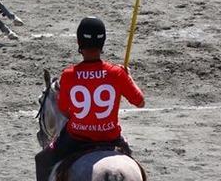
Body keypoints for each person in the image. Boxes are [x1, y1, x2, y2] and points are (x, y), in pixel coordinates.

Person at [34, 17, 145, 181]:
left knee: (42, 160)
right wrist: (129, 76)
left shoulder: (68, 75)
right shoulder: (117, 73)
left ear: (79, 42)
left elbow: (64, 109)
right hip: (111, 137)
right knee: (135, 166)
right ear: (103, 42)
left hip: (76, 138)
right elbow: (140, 102)